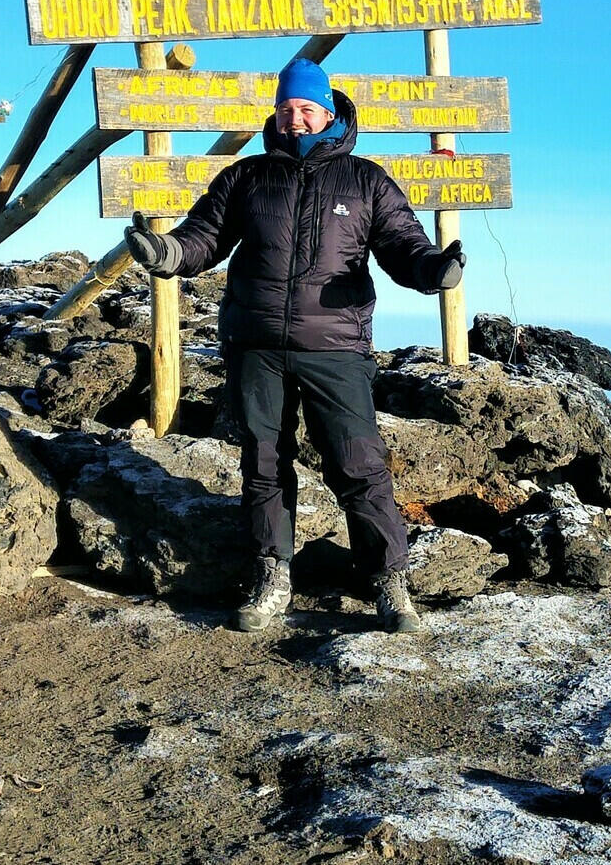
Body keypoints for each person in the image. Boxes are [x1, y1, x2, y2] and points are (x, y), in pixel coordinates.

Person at [123, 57, 466, 634]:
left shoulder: (365, 181)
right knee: (262, 462)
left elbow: (403, 245)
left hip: (334, 346)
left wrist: (435, 269)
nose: (296, 119)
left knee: (359, 463)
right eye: (287, 109)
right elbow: (203, 238)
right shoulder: (246, 177)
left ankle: (389, 583)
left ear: (330, 114)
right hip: (256, 343)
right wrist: (166, 255)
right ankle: (270, 575)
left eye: (307, 109)